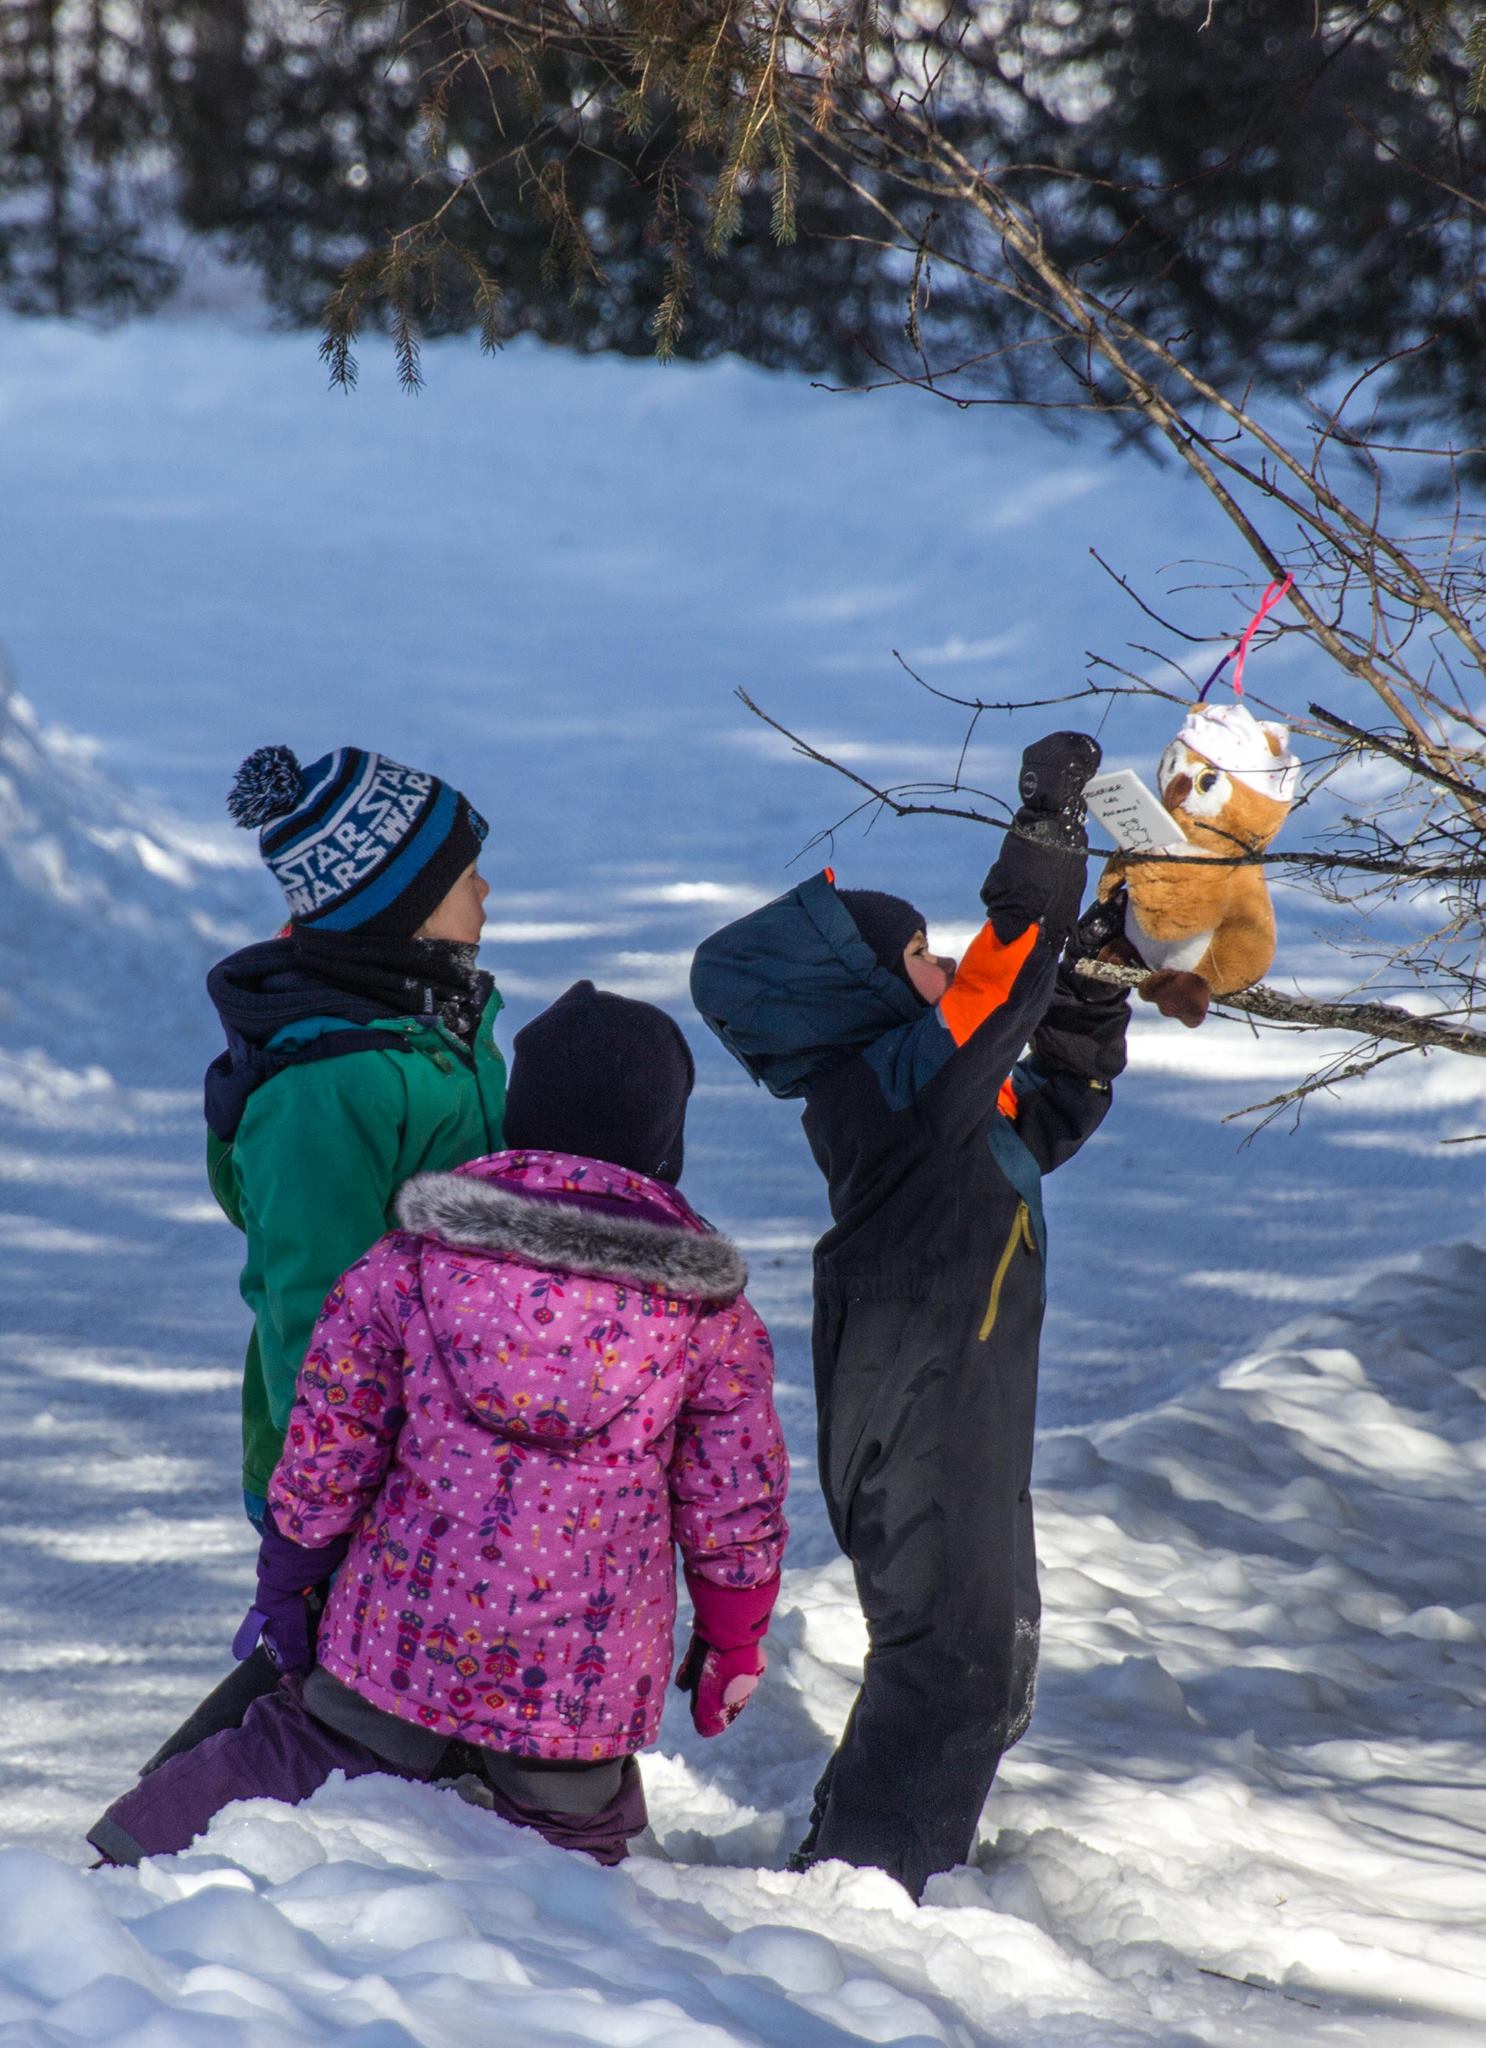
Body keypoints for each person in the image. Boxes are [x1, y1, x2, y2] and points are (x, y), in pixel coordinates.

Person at [89, 983, 788, 1869]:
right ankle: (572, 1954)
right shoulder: (708, 1320)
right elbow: (736, 1503)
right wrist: (733, 1637)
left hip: (395, 1646)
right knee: (575, 1842)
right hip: (577, 1690)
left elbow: (327, 1444)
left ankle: (121, 1873)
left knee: (289, 1748)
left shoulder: (406, 1266)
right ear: (665, 1142)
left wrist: (290, 1579)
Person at [690, 732, 1129, 1900]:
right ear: (873, 990)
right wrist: (1045, 833)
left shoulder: (922, 1099)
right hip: (919, 1396)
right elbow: (1006, 972)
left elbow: (1046, 1111)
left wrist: (1090, 989)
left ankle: (874, 1856)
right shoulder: (888, 1086)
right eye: (923, 956)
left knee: (984, 1658)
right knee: (954, 1658)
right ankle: (872, 1894)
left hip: (946, 1394)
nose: (946, 968)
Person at [139, 742, 508, 1774]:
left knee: (416, 1664)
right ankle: (180, 1825)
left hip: (451, 1425)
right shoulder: (324, 1088)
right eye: (460, 875)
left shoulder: (442, 1020)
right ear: (396, 908)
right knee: (334, 1675)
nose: (485, 888)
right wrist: (325, 1501)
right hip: (351, 1452)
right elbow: (312, 1304)